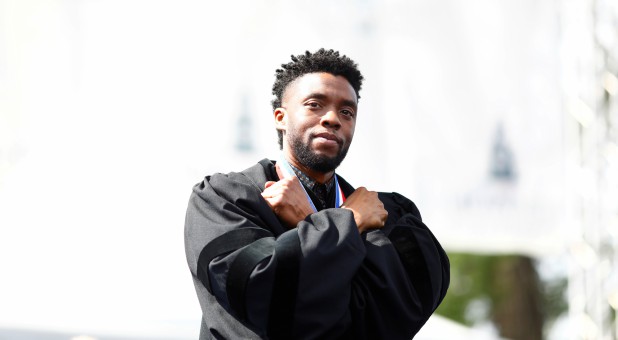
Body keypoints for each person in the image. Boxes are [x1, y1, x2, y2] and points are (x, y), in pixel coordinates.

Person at [184, 48, 450, 340]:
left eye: (347, 112)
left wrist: (314, 220)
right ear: (280, 117)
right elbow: (265, 294)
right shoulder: (226, 200)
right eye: (314, 104)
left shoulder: (390, 215)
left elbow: (393, 322)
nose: (333, 118)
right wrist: (349, 221)